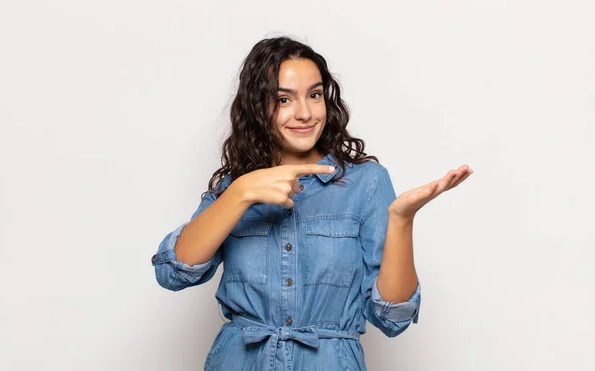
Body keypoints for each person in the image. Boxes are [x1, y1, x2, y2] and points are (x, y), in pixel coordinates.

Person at [151, 36, 473, 371]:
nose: (304, 113)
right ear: (258, 106)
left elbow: (392, 317)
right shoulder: (237, 186)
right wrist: (240, 193)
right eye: (284, 99)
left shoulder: (366, 183)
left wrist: (401, 219)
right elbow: (173, 272)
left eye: (314, 95)